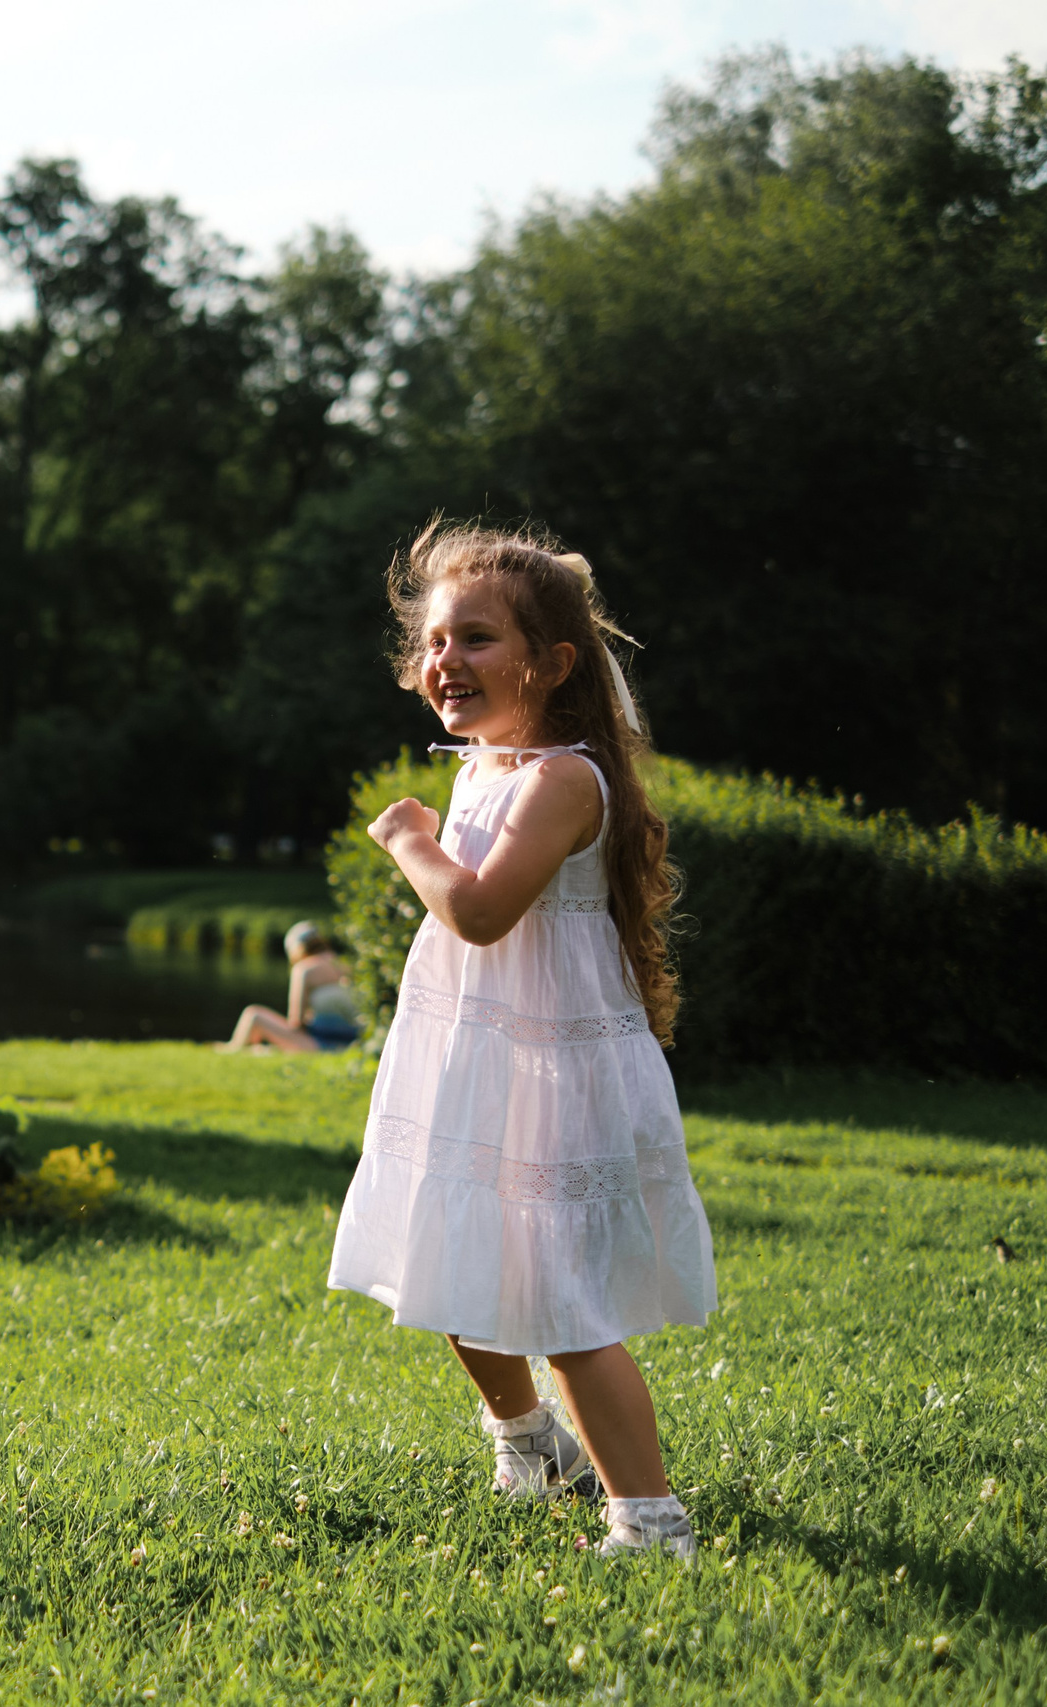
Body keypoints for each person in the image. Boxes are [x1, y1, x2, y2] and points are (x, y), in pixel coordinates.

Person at [325, 521, 715, 1561]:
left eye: (478, 639)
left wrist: (407, 839)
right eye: (436, 640)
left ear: (550, 665)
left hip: (554, 1068)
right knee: (448, 1252)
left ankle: (649, 1519)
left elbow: (484, 913)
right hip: (471, 1059)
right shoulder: (483, 769)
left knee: (564, 1302)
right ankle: (528, 1441)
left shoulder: (563, 781)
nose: (446, 660)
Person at [219, 921, 360, 1053]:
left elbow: (295, 1023)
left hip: (321, 1044)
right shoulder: (345, 964)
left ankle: (233, 1049)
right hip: (353, 1041)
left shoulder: (304, 969)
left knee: (254, 1015)